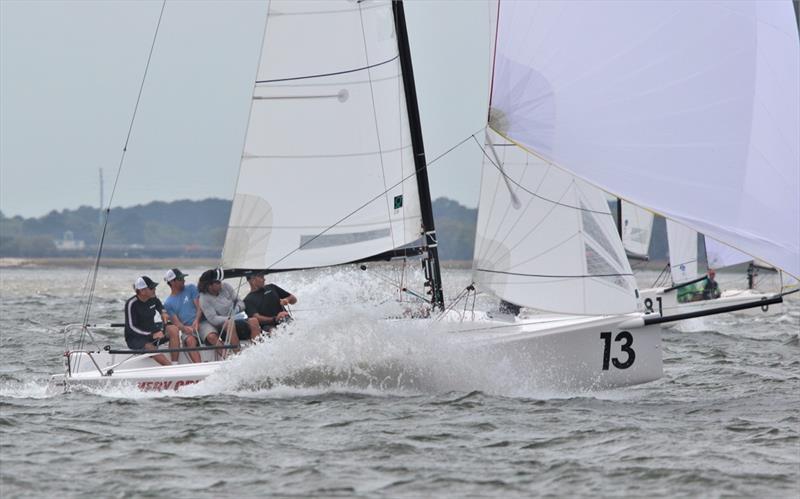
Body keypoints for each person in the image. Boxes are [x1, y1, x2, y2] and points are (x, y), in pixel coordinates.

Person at [124, 276, 181, 366]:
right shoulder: (131, 303)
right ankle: (170, 368)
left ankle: (175, 364)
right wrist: (151, 334)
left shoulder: (153, 298)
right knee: (149, 347)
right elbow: (131, 327)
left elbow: (160, 306)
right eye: (151, 288)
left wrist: (163, 313)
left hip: (153, 332)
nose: (155, 289)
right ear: (142, 291)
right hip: (136, 338)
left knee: (173, 329)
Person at [197, 268, 261, 349]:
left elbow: (241, 303)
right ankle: (238, 354)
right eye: (217, 283)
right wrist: (229, 318)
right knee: (229, 324)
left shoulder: (226, 287)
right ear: (209, 285)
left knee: (254, 321)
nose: (221, 284)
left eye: (221, 281)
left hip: (237, 319)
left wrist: (237, 308)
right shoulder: (203, 298)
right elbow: (213, 319)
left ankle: (257, 351)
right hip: (223, 327)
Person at [163, 268, 206, 363]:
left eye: (183, 278)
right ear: (172, 282)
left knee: (211, 336)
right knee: (190, 341)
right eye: (180, 278)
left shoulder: (191, 288)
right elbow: (177, 323)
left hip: (202, 323)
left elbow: (200, 307)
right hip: (187, 330)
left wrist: (197, 321)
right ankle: (200, 367)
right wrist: (187, 329)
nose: (184, 280)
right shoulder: (168, 303)